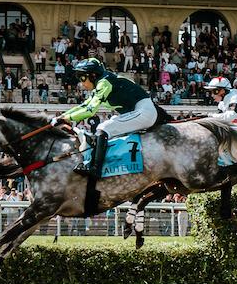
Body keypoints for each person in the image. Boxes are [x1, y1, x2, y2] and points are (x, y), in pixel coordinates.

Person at [51, 57, 159, 215]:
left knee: (103, 127)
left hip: (144, 112)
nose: (81, 82)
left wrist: (65, 119)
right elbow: (85, 105)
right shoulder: (101, 83)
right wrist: (62, 117)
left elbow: (90, 111)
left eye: (82, 77)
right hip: (137, 111)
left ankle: (95, 169)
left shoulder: (104, 83)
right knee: (106, 127)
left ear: (93, 76)